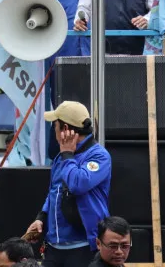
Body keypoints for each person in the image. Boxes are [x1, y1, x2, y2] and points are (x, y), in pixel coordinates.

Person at [24, 101, 111, 266]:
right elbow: (54, 191)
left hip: (83, 246)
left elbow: (78, 184)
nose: (53, 130)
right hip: (54, 246)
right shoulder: (61, 157)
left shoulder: (99, 155)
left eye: (55, 126)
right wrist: (41, 217)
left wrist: (68, 155)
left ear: (65, 129)